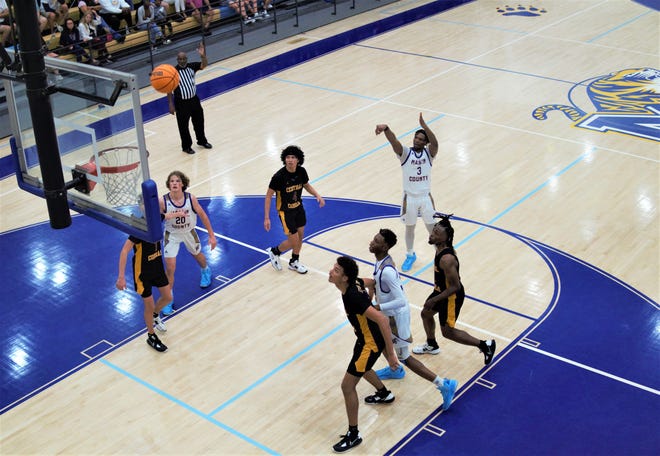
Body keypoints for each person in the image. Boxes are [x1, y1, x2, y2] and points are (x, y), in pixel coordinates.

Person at [362, 228, 458, 411]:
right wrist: (370, 288)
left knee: (405, 357)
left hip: (397, 319)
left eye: (376, 241)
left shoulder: (387, 271)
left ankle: (444, 384)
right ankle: (395, 370)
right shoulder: (381, 261)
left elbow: (401, 300)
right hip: (390, 316)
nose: (371, 242)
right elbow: (378, 282)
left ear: (384, 246)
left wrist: (378, 307)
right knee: (380, 341)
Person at [328, 255, 399, 453]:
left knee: (347, 386)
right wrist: (370, 293)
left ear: (344, 278)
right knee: (362, 367)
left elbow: (383, 320)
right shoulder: (354, 283)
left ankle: (354, 434)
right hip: (366, 339)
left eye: (336, 270)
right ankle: (384, 394)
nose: (331, 271)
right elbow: (371, 281)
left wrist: (391, 355)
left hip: (370, 342)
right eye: (333, 267)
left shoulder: (353, 297)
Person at [412, 214, 497, 364]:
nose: (432, 234)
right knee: (426, 314)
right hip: (441, 291)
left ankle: (485, 345)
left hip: (451, 296)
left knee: (448, 332)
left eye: (437, 233)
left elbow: (455, 287)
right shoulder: (439, 247)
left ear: (445, 238)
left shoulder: (447, 259)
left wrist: (435, 299)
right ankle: (431, 344)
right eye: (433, 230)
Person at [375, 112, 439, 272]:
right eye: (416, 137)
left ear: (426, 143)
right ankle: (410, 254)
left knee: (433, 229)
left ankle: (439, 255)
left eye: (421, 139)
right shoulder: (405, 153)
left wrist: (425, 126)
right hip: (409, 199)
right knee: (410, 228)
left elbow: (436, 143)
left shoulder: (429, 153)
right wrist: (386, 129)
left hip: (425, 198)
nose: (417, 140)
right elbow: (394, 141)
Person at [159, 170, 217, 315]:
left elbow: (203, 215)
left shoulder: (191, 198)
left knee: (198, 256)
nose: (174, 183)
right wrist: (173, 214)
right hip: (171, 234)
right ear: (168, 184)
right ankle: (168, 298)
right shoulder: (163, 201)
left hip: (189, 232)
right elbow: (158, 217)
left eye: (177, 181)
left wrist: (211, 235)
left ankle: (205, 270)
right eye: (172, 181)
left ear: (183, 184)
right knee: (170, 267)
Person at [264, 145, 325, 274]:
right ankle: (275, 252)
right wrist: (267, 217)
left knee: (300, 235)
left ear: (298, 160)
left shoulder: (301, 171)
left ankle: (294, 262)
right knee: (293, 241)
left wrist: (317, 195)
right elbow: (268, 196)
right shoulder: (279, 177)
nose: (290, 160)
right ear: (284, 159)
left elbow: (306, 185)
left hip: (298, 208)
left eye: (293, 157)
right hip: (285, 212)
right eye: (287, 157)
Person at [116, 235, 172, 352]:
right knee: (149, 306)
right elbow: (124, 251)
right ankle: (151, 336)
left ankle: (155, 315)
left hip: (158, 269)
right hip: (142, 274)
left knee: (168, 297)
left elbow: (167, 216)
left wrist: (180, 215)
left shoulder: (158, 219)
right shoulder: (138, 231)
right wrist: (121, 277)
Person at [167, 42, 212, 154]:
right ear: (177, 60)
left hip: (194, 100)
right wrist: (171, 104)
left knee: (199, 122)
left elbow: (204, 65)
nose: (182, 61)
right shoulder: (173, 72)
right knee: (183, 127)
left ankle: (201, 141)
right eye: (180, 59)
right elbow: (168, 89)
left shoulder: (192, 66)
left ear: (186, 59)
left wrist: (202, 55)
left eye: (184, 59)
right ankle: (186, 146)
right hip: (181, 103)